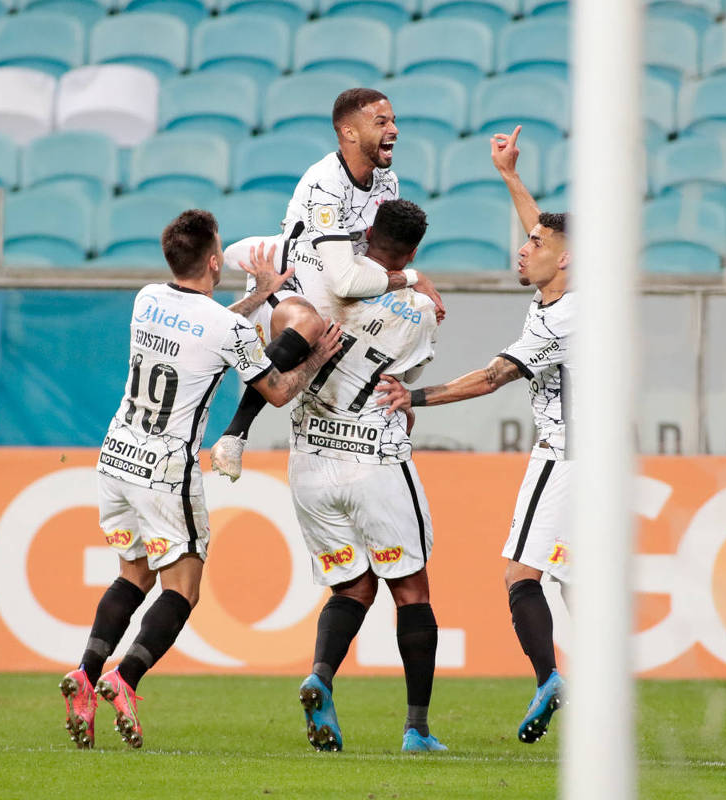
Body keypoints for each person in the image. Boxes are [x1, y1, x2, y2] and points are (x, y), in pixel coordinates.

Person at [59, 210, 342, 750]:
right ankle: (124, 678)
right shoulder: (228, 327)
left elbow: (199, 330)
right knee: (182, 591)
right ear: (215, 261)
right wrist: (315, 359)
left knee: (132, 575)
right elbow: (278, 391)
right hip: (166, 469)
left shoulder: (147, 298)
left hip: (117, 455)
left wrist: (258, 295)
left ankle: (85, 671)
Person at [377, 125, 571, 745]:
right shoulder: (579, 287)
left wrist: (416, 396)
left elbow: (492, 379)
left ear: (560, 258)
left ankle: (549, 679)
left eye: (533, 244)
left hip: (564, 456)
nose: (522, 247)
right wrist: (512, 176)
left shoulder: (558, 322)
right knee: (578, 583)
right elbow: (551, 231)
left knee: (519, 573)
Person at [209, 88, 446, 479]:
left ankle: (384, 413)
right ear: (349, 133)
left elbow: (376, 253)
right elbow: (348, 279)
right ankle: (234, 434)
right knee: (310, 325)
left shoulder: (387, 182)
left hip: (337, 273)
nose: (395, 130)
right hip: (292, 274)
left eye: (393, 120)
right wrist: (414, 278)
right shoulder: (325, 183)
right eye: (382, 122)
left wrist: (405, 290)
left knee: (390, 319)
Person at [287, 199, 446, 754]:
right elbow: (405, 375)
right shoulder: (420, 310)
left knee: (351, 585)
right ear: (414, 252)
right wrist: (418, 286)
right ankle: (417, 729)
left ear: (367, 232)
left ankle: (321, 676)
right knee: (411, 590)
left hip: (309, 462)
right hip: (373, 460)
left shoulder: (318, 283)